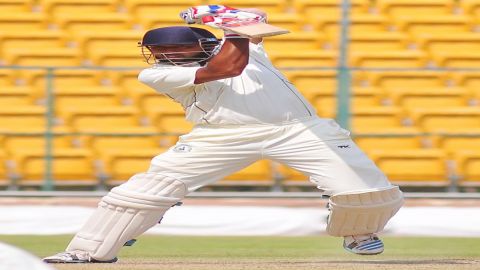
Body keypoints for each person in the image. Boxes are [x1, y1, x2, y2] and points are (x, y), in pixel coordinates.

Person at [43, 6, 403, 263]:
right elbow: (230, 65)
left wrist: (214, 11)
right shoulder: (158, 74)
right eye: (156, 51)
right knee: (142, 192)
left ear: (204, 44)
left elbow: (254, 16)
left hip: (299, 129)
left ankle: (358, 231)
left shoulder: (246, 47)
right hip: (218, 136)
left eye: (172, 49)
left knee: (367, 190)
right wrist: (235, 29)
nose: (162, 55)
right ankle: (86, 251)